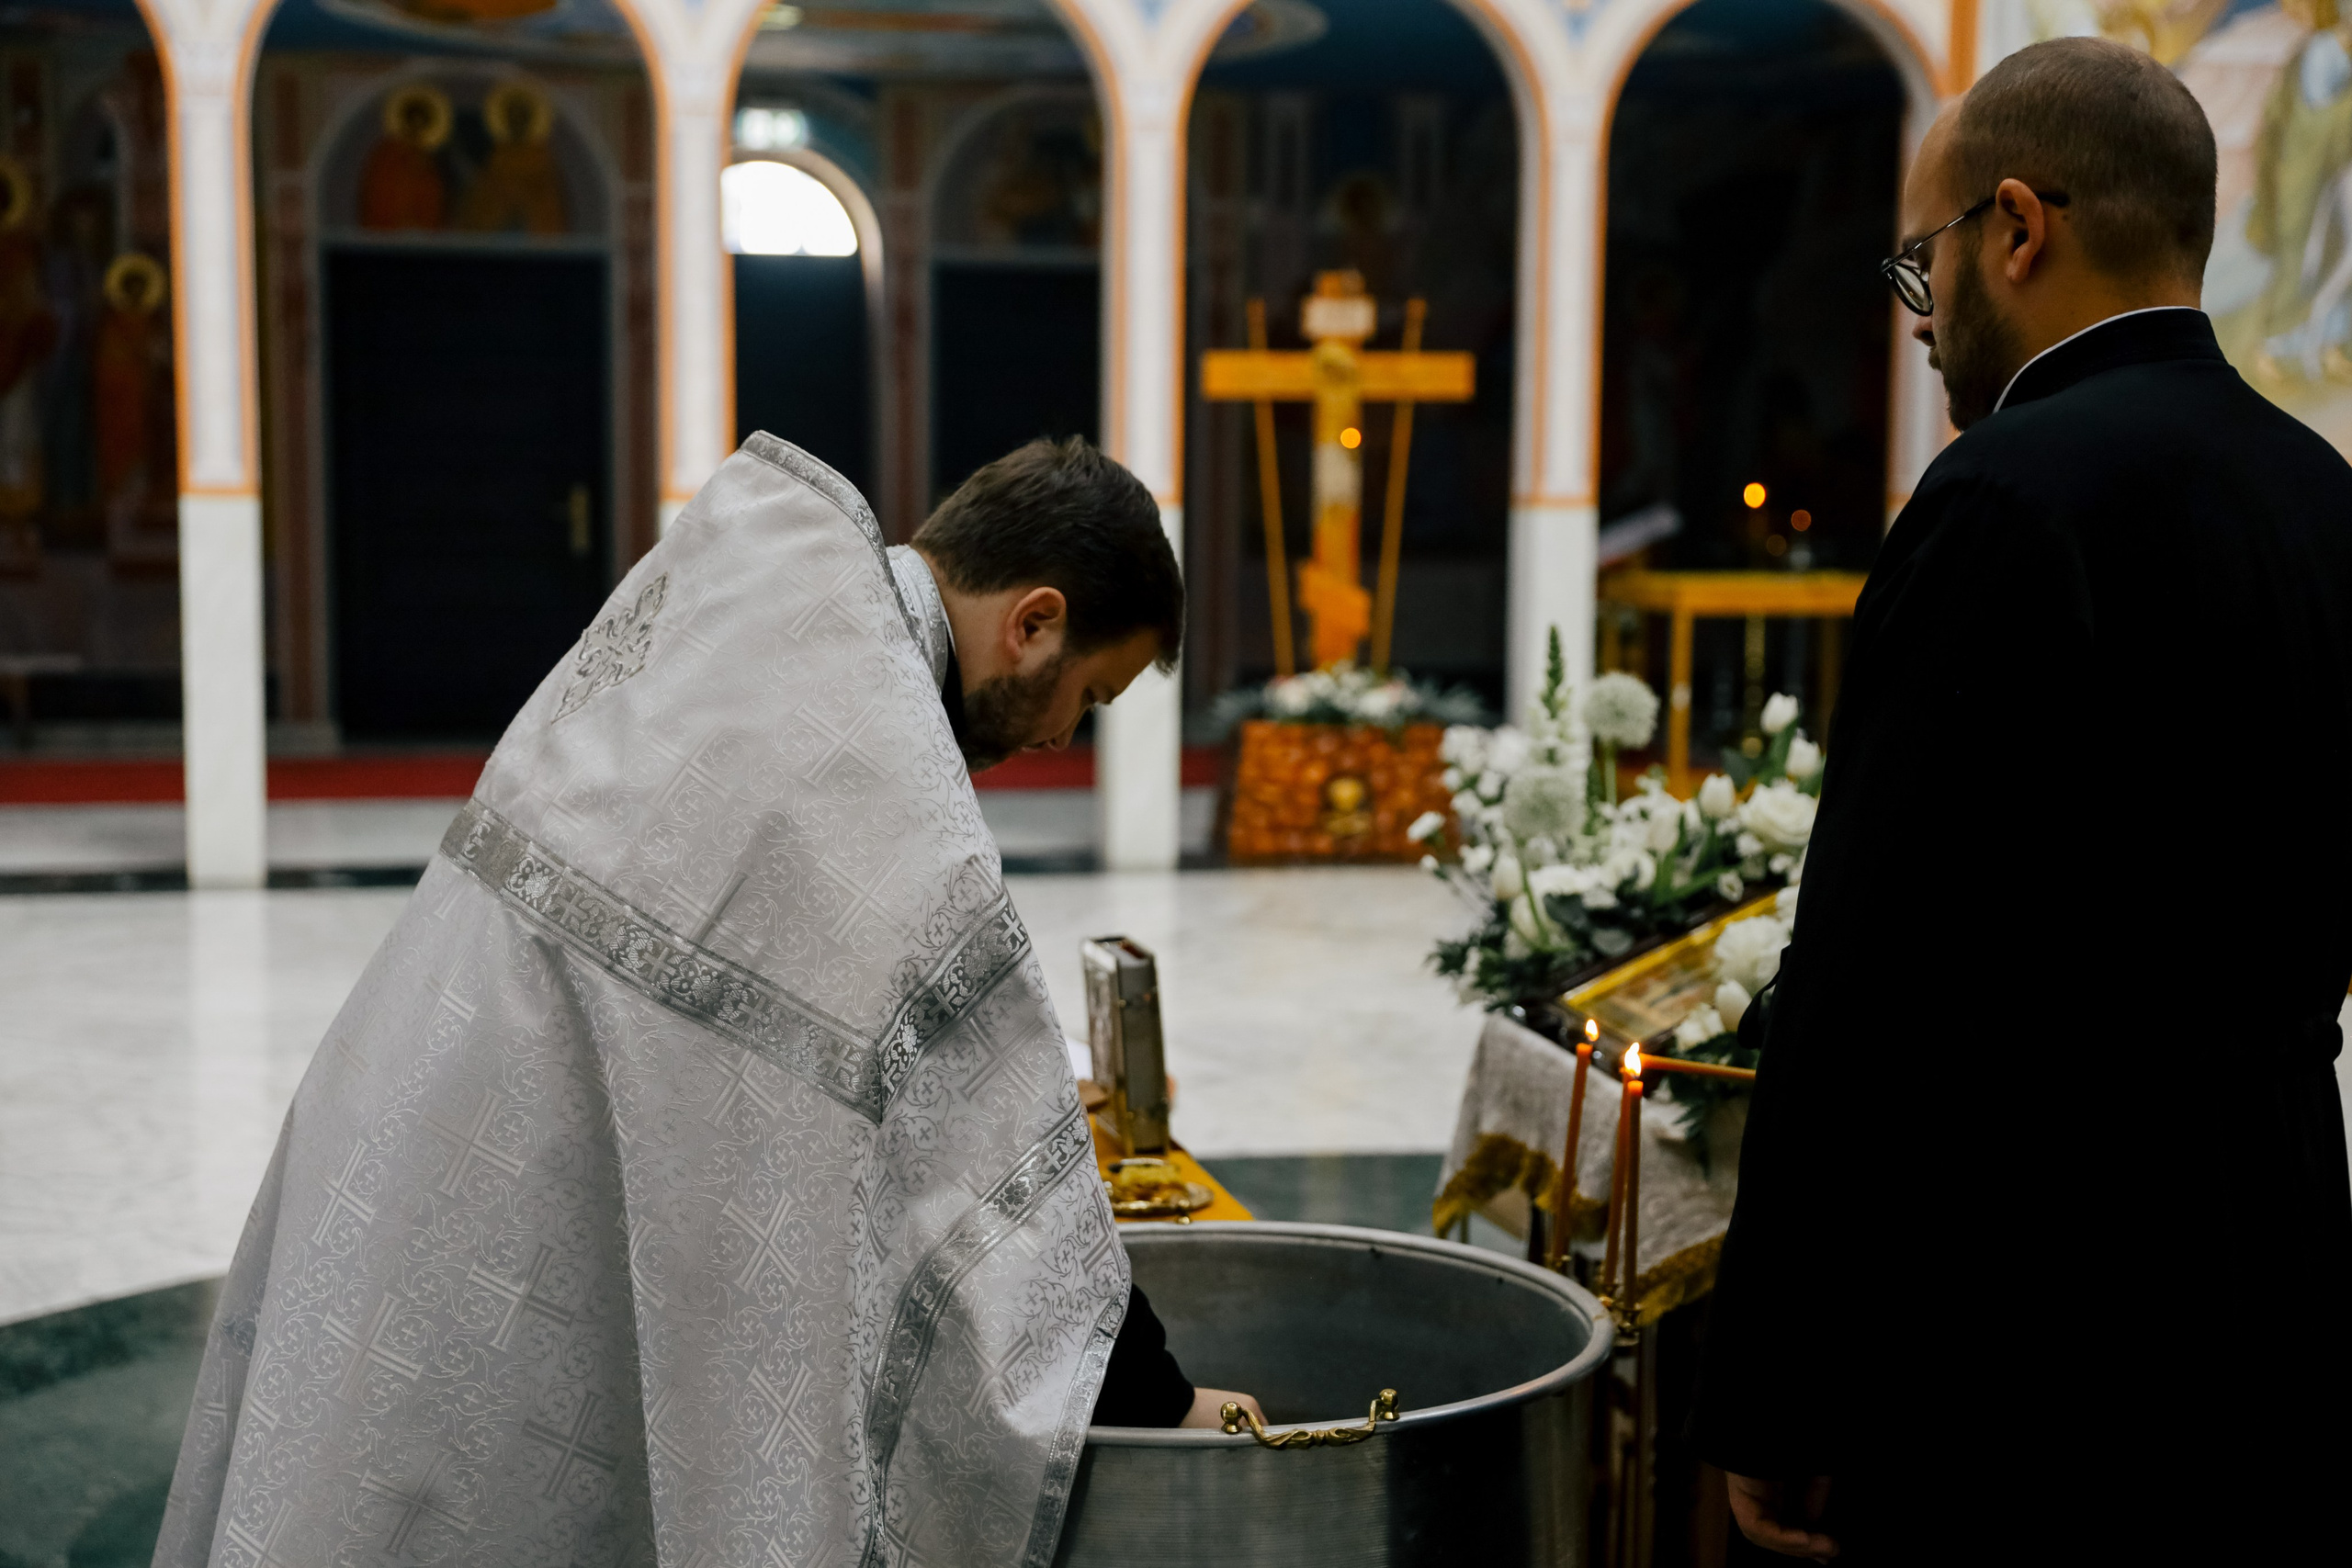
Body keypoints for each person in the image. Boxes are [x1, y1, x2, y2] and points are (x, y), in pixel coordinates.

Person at [153, 434, 1257, 1568]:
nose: (1063, 734)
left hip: (401, 1143)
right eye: (1086, 694)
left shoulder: (757, 602)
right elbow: (974, 1140)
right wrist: (1157, 1400)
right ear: (1032, 621)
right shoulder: (867, 755)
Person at [1695, 37, 2352, 1564]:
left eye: (1920, 266)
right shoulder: (2322, 493)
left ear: (2016, 226)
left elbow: (1869, 976)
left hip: (2039, 1319)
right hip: (2279, 1257)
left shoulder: (2005, 495)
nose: (1920, 323)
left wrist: (1779, 1383)